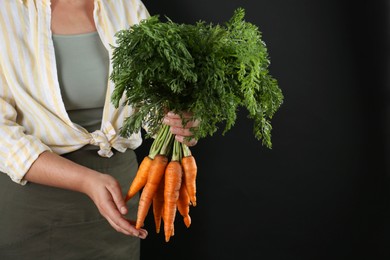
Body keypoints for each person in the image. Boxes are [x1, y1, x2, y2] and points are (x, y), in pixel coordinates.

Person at [0, 0, 198, 259]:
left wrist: (181, 123)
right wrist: (85, 180)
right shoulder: (7, 10)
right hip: (36, 203)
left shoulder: (126, 7)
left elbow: (152, 104)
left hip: (121, 201)